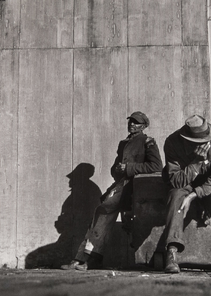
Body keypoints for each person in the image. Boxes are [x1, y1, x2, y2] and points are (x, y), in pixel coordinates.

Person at [61, 111, 163, 270]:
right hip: (121, 186)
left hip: (136, 190)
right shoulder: (123, 143)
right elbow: (117, 168)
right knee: (100, 214)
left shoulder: (148, 142)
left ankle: (86, 260)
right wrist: (117, 169)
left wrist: (129, 168)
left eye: (136, 123)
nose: (132, 124)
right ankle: (84, 259)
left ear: (143, 126)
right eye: (130, 121)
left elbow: (156, 166)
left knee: (103, 212)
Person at [161, 115, 211, 275]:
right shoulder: (172, 142)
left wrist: (196, 194)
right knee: (176, 197)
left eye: (205, 140)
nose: (205, 144)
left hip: (208, 185)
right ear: (188, 140)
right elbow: (176, 181)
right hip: (183, 184)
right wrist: (197, 162)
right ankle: (171, 252)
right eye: (200, 143)